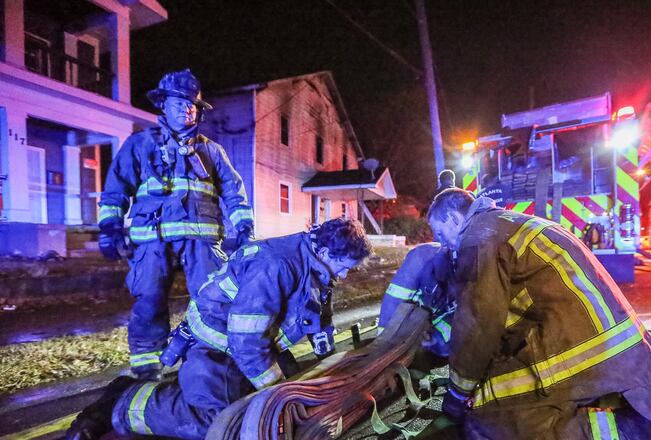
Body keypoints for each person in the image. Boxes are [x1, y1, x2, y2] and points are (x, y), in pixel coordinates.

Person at [66, 218, 372, 440]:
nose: (345, 276)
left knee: (284, 397)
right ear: (328, 253)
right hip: (216, 349)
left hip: (248, 347)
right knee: (217, 424)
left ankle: (192, 393)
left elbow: (316, 311)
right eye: (345, 266)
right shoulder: (277, 266)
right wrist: (276, 391)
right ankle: (125, 399)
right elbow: (246, 343)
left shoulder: (312, 257)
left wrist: (328, 360)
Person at [427, 188, 651, 439]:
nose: (442, 243)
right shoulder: (510, 223)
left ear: (454, 219)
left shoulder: (479, 238)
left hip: (592, 362)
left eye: (440, 233)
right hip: (631, 359)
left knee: (489, 415)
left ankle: (627, 431)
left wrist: (458, 392)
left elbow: (478, 325)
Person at [97, 69, 254, 380]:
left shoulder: (211, 151)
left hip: (202, 240)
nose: (187, 108)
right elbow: (117, 187)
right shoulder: (140, 144)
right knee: (149, 298)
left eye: (192, 104)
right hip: (152, 238)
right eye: (180, 102)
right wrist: (110, 227)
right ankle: (146, 363)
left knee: (211, 299)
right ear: (163, 105)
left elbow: (234, 192)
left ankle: (203, 357)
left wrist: (245, 228)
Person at [377, 242, 454, 357]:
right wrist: (382, 344)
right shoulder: (419, 259)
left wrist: (434, 338)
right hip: (411, 322)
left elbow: (456, 320)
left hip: (430, 330)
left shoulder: (470, 276)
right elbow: (393, 303)